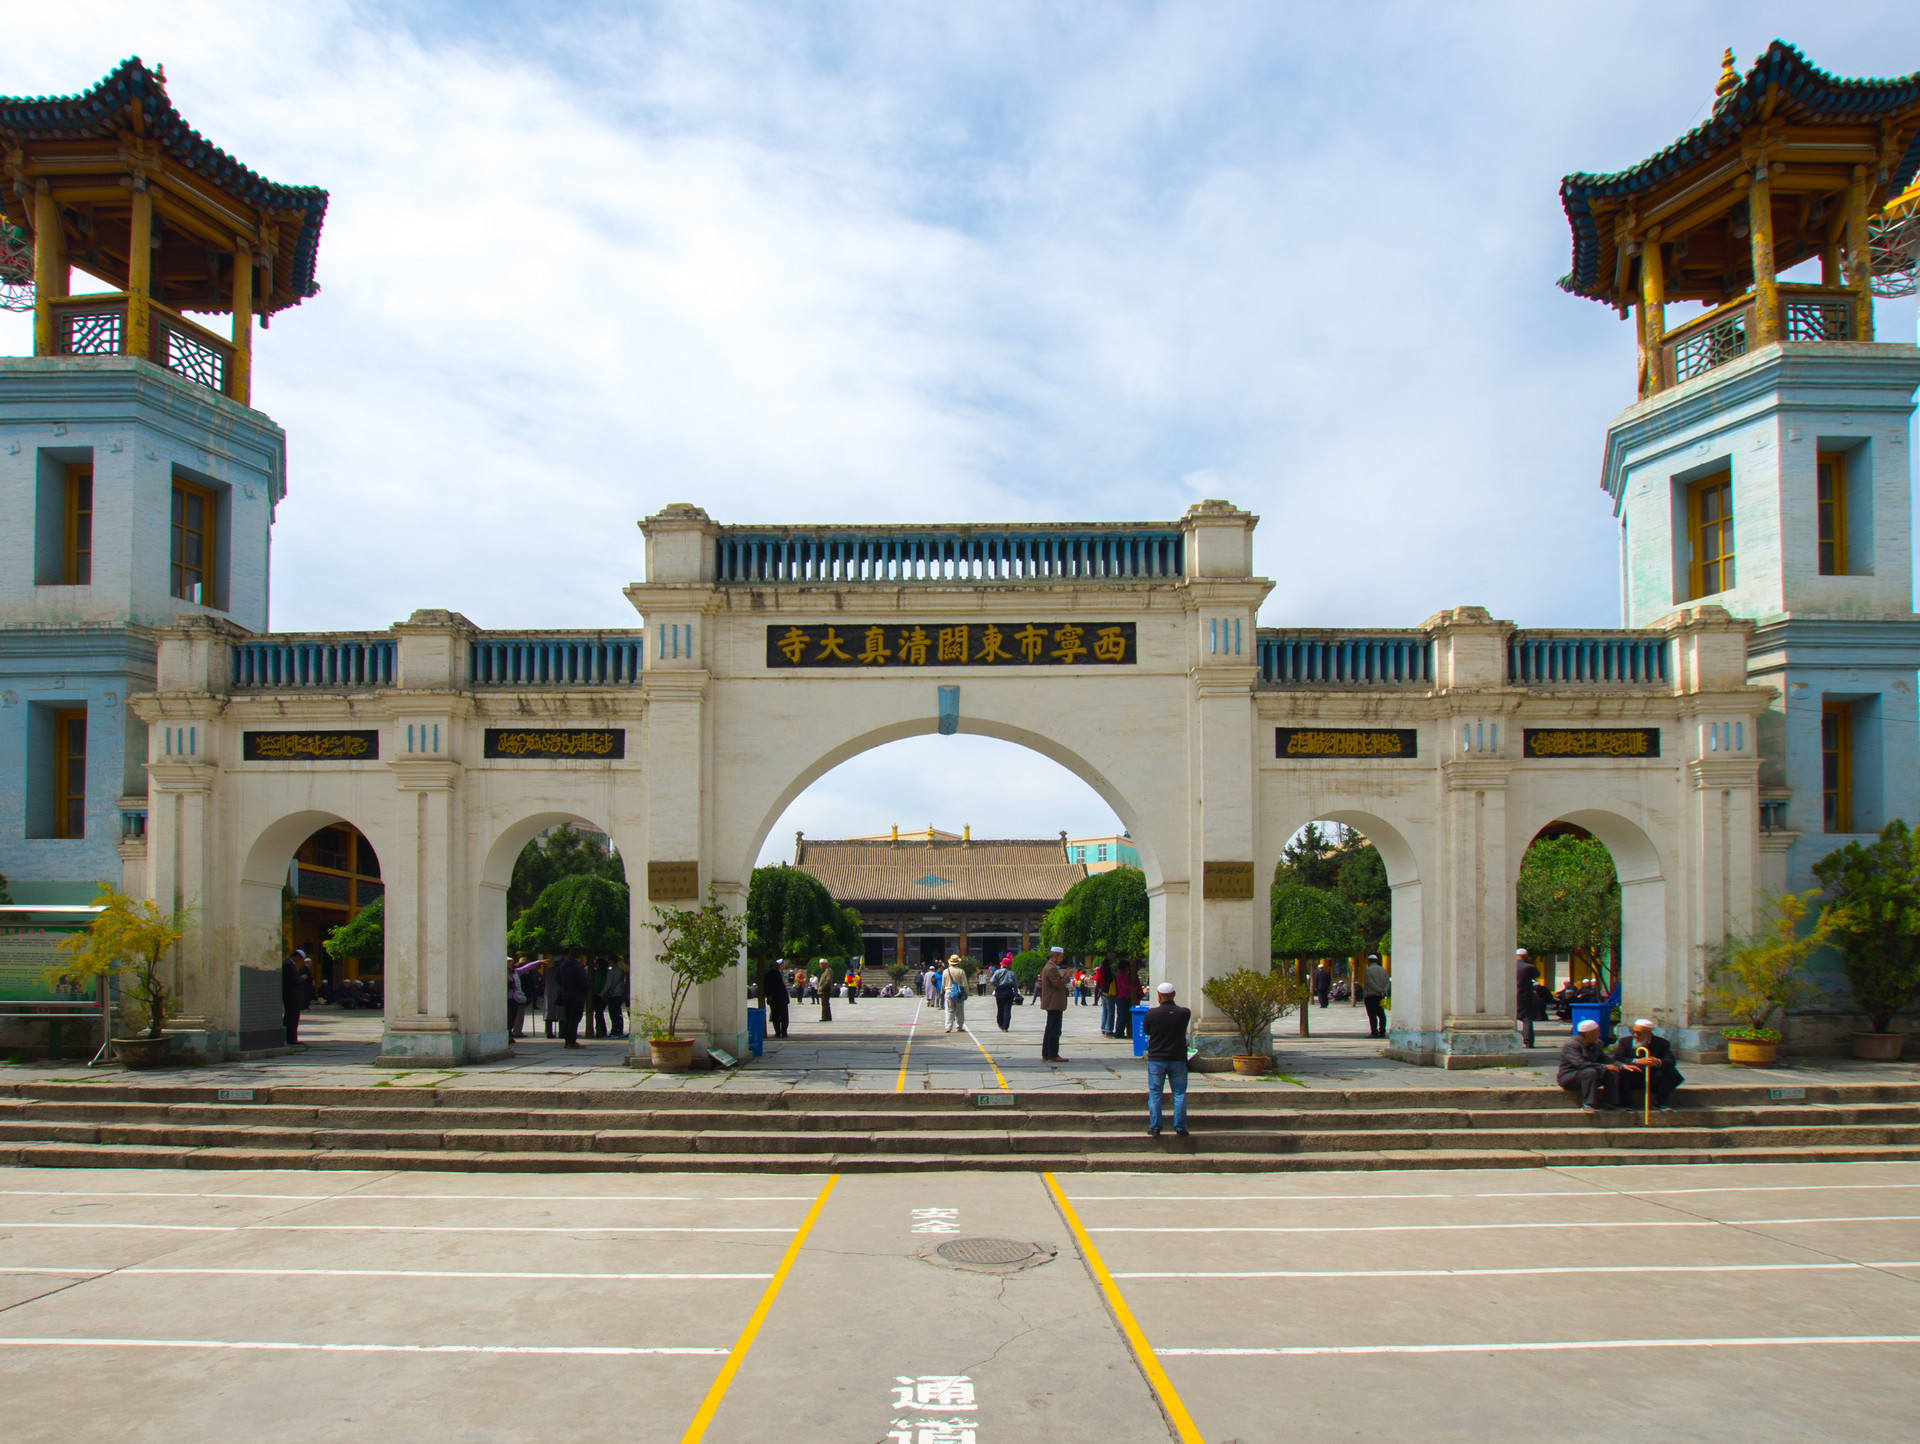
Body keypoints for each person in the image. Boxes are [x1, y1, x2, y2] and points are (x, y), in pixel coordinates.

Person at [1143, 981, 1190, 1138]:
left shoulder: (1151, 1014)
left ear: (1158, 996)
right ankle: (1180, 1127)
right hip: (1178, 1057)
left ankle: (1155, 1126)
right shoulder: (1184, 1013)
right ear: (1174, 995)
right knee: (1179, 1093)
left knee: (1155, 1093)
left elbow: (1147, 1030)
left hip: (1157, 1058)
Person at [1613, 1018, 1683, 1111]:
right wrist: (1635, 1061)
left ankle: (1660, 1103)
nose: (1635, 1035)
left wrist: (1657, 1062)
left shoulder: (1661, 1043)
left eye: (1639, 1033)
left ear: (1648, 1033)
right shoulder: (1625, 1042)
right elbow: (1617, 1058)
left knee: (1671, 1072)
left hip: (1652, 1076)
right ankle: (1627, 1103)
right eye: (1633, 1032)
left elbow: (1671, 1061)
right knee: (1621, 1071)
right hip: (1632, 1075)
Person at [1558, 1018, 1625, 1112]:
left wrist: (1621, 1065)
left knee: (1611, 1072)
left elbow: (1604, 1058)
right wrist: (1604, 1066)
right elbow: (1580, 1064)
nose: (1599, 1035)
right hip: (1570, 1076)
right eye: (1597, 1032)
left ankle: (1609, 1103)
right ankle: (1588, 1104)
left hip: (1592, 1074)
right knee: (1590, 1071)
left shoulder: (1595, 1043)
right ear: (1589, 1034)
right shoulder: (1571, 1045)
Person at [554, 946, 591, 1049]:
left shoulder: (563, 965)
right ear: (580, 956)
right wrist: (587, 985)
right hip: (577, 995)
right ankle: (571, 1042)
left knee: (568, 1018)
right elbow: (582, 982)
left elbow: (557, 978)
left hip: (566, 994)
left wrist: (565, 985)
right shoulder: (578, 967)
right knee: (575, 1019)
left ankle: (567, 1040)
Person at [1038, 947, 1071, 1062]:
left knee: (1050, 1028)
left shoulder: (1050, 967)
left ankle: (1047, 1053)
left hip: (1053, 1002)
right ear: (1055, 956)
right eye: (1061, 957)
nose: (1062, 959)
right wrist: (1067, 976)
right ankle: (1052, 1053)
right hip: (1054, 1002)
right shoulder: (1051, 968)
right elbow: (1057, 984)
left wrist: (1064, 975)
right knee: (1054, 1029)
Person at [1515, 948, 1545, 1048]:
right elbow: (1537, 974)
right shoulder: (1529, 967)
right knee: (1527, 1018)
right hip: (1524, 996)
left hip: (1511, 996)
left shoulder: (1509, 966)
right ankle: (1528, 1041)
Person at [280, 948, 309, 1046]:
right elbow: (294, 980)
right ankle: (291, 1038)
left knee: (290, 1017)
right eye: (299, 959)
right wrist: (302, 978)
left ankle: (289, 1037)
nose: (299, 961)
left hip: (290, 996)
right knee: (292, 1018)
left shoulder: (287, 964)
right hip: (291, 996)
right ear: (296, 957)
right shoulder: (289, 965)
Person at [1362, 954, 1391, 1038]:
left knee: (1372, 1014)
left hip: (1370, 996)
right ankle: (1382, 1031)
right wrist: (1384, 990)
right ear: (1377, 961)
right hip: (1380, 996)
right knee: (1381, 1014)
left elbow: (1370, 983)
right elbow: (1387, 982)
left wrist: (1379, 989)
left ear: (1368, 961)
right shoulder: (1383, 970)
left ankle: (1374, 1032)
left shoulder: (1368, 970)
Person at [761, 961, 790, 1039]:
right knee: (776, 1016)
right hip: (775, 998)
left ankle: (784, 1032)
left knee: (783, 1016)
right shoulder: (769, 975)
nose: (778, 967)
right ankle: (778, 1032)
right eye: (776, 966)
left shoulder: (779, 973)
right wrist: (769, 994)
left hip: (781, 998)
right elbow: (767, 986)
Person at [942, 953, 969, 1033]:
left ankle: (948, 1026)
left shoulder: (945, 971)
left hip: (948, 991)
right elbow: (965, 984)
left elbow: (943, 984)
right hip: (959, 992)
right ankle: (959, 1026)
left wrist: (946, 990)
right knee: (959, 1010)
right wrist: (966, 993)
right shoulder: (961, 971)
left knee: (949, 1010)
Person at [991, 954, 1018, 1031]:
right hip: (1009, 992)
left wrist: (997, 985)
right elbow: (1015, 985)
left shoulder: (997, 972)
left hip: (1000, 992)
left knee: (1000, 1009)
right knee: (1007, 1010)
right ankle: (1005, 1027)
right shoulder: (1012, 973)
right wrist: (1016, 994)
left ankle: (1000, 1024)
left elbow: (992, 981)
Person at [604, 958, 628, 1038]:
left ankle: (614, 1031)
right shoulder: (621, 971)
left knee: (613, 1013)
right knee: (619, 1013)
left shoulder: (612, 971)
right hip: (620, 994)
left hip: (613, 994)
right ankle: (619, 1030)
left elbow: (608, 983)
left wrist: (603, 992)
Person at [506, 958, 526, 1040]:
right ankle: (508, 1034)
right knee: (509, 1016)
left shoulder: (515, 972)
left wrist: (538, 962)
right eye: (508, 962)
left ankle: (509, 1033)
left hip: (515, 998)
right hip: (506, 998)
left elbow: (526, 968)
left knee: (513, 1016)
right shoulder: (501, 971)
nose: (510, 963)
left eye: (511, 962)